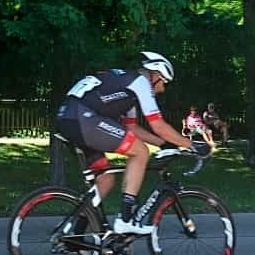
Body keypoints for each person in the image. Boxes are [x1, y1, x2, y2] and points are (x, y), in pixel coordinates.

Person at [56, 51, 211, 235]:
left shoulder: (126, 87)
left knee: (105, 180)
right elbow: (158, 125)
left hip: (68, 117)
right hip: (83, 118)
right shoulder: (140, 83)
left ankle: (76, 236)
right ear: (155, 75)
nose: (162, 89)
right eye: (163, 82)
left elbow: (132, 128)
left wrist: (163, 144)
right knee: (140, 151)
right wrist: (192, 145)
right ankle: (125, 218)